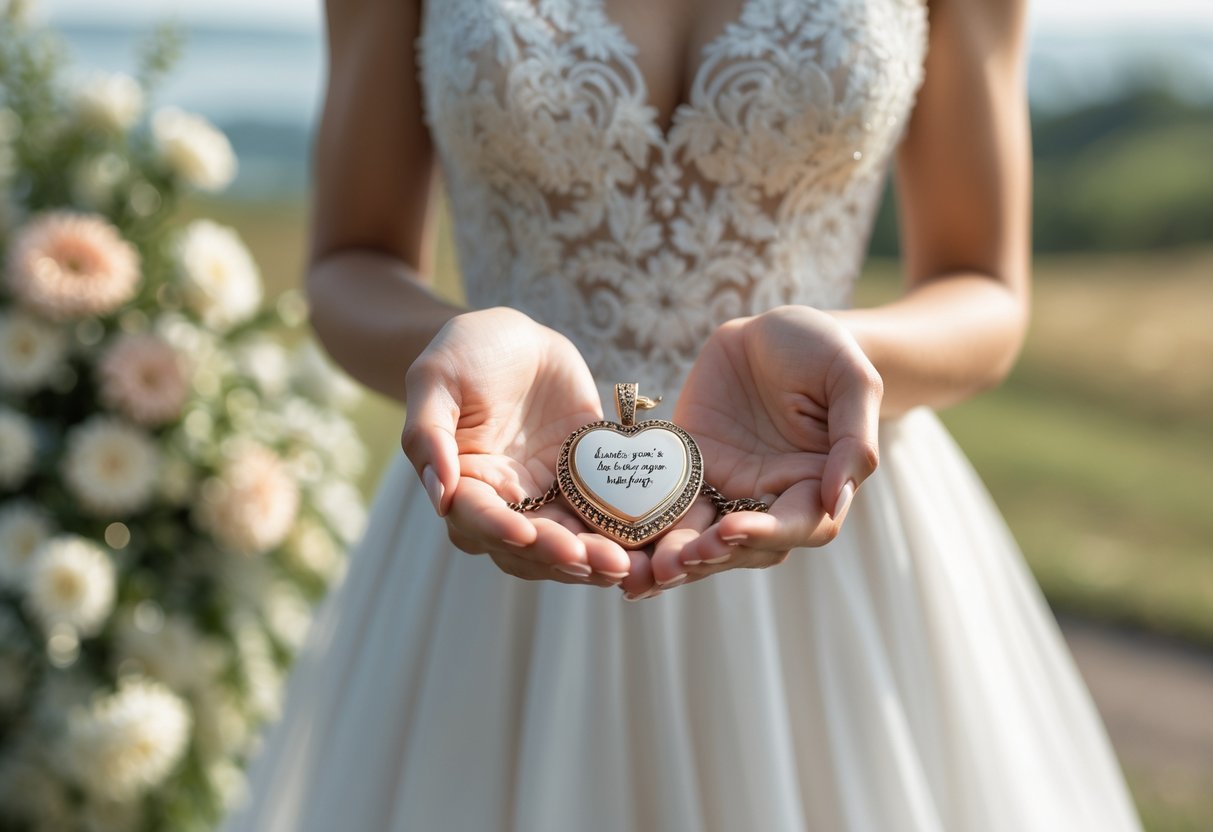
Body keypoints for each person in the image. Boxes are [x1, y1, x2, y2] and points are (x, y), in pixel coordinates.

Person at [226, 0, 1144, 829]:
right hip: (507, 484)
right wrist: (457, 346)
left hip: (818, 487)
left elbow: (982, 289)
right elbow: (350, 259)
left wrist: (845, 357)